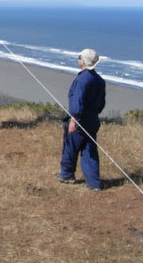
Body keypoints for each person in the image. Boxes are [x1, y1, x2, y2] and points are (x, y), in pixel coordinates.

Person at [55, 48, 106, 190]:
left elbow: (77, 101)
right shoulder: (99, 80)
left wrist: (74, 120)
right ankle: (93, 183)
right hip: (93, 120)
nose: (78, 59)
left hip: (80, 121)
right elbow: (101, 104)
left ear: (83, 62)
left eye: (79, 57)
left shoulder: (82, 80)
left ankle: (67, 175)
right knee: (89, 150)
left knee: (71, 147)